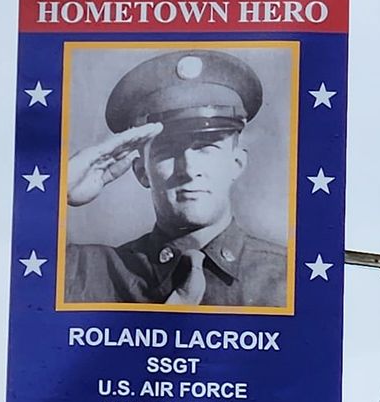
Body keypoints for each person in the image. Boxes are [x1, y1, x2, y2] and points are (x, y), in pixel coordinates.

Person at [64, 49, 286, 307]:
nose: (189, 169)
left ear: (237, 163)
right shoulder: (86, 275)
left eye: (207, 147)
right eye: (167, 150)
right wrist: (62, 187)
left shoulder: (288, 279)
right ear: (142, 172)